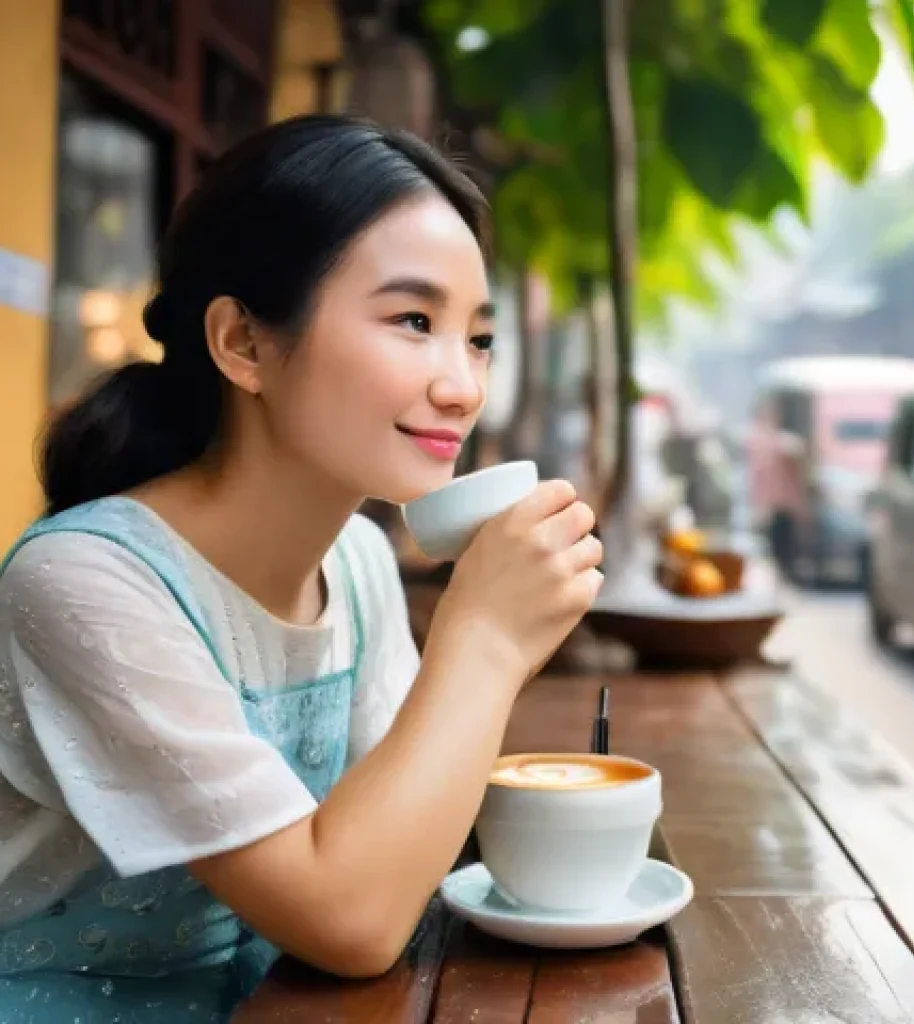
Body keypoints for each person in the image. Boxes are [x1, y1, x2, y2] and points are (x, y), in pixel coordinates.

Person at [0, 114, 603, 1020]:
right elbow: (350, 920)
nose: (463, 387)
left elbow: (400, 850)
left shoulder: (357, 562)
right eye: (413, 321)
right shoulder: (84, 582)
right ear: (243, 344)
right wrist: (484, 639)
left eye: (478, 338)